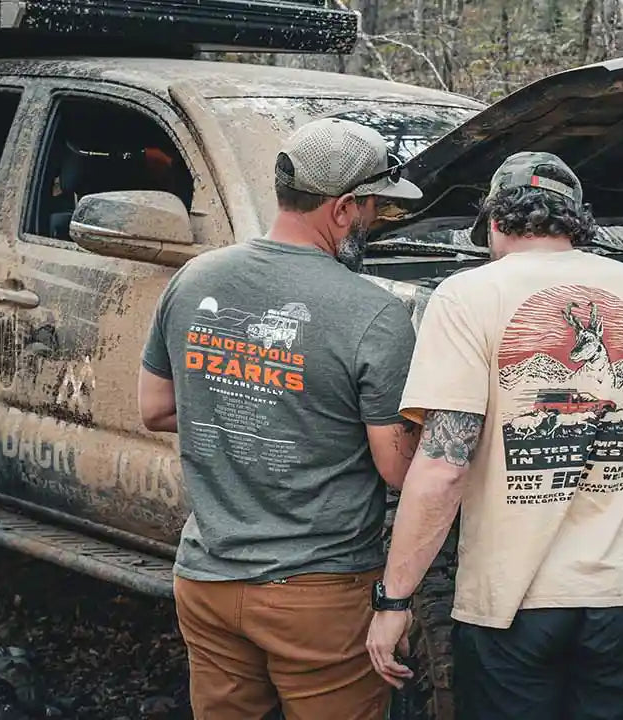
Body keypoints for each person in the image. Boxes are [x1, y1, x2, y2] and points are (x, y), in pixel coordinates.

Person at [365, 151, 623, 720]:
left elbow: (443, 467)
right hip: (614, 596)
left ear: (494, 221)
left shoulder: (467, 295)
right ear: (578, 221)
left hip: (509, 603)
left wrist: (394, 599)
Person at [135, 117, 424, 719]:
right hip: (318, 593)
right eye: (375, 207)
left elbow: (155, 408)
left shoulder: (195, 279)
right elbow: (397, 469)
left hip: (207, 578)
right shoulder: (373, 313)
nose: (375, 221)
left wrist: (254, 414)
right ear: (345, 207)